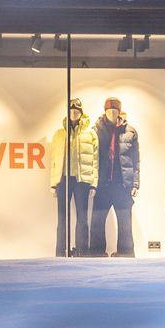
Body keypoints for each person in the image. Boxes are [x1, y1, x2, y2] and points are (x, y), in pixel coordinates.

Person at [46, 97, 98, 257]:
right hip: (63, 180)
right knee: (62, 218)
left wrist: (94, 183)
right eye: (71, 111)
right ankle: (61, 252)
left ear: (81, 113)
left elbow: (95, 160)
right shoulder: (59, 134)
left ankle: (82, 251)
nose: (74, 113)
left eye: (77, 111)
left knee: (82, 218)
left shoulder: (90, 134)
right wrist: (53, 183)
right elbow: (54, 160)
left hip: (82, 180)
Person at [90, 98, 141, 257]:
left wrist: (135, 183)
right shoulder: (96, 130)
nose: (112, 113)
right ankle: (97, 253)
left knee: (125, 221)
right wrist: (92, 183)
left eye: (115, 110)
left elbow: (136, 160)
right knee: (97, 221)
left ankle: (126, 253)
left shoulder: (130, 131)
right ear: (104, 111)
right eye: (109, 110)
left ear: (119, 112)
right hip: (102, 183)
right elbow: (92, 158)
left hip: (122, 184)